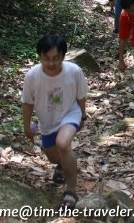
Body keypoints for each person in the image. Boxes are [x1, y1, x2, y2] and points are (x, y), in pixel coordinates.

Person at [22, 34, 89, 209]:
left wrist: (82, 116)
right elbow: (27, 103)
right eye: (46, 59)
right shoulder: (32, 76)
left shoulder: (74, 71)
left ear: (63, 57)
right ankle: (61, 164)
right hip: (47, 122)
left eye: (56, 59)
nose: (51, 64)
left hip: (70, 113)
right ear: (40, 57)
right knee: (53, 157)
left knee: (63, 143)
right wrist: (26, 126)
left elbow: (81, 96)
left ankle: (71, 192)